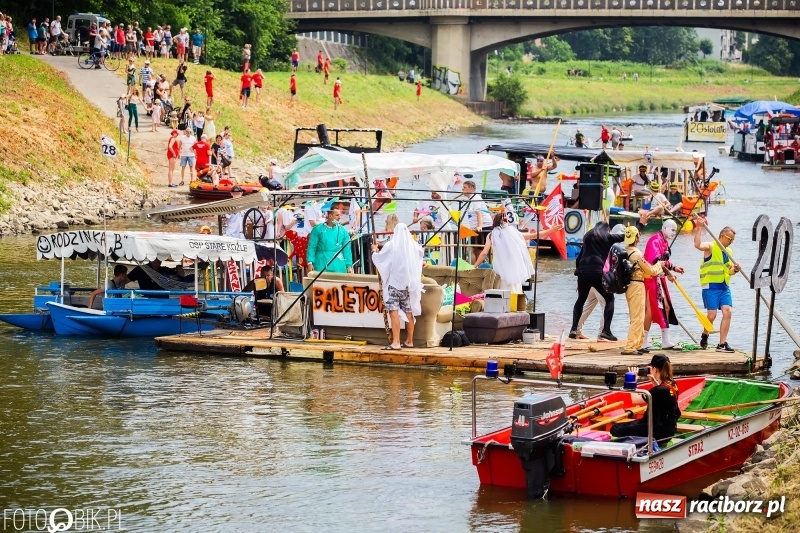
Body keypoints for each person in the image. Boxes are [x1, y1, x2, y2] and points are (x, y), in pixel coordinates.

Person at [473, 212, 562, 293]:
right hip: (513, 268)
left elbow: (484, 253)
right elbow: (534, 235)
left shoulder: (491, 235)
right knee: (515, 289)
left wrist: (475, 265)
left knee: (502, 291)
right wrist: (551, 230)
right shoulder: (513, 232)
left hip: (500, 268)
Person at [570, 221, 626, 341]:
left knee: (581, 300)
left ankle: (574, 328)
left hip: (583, 273)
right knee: (609, 299)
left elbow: (579, 258)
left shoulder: (587, 237)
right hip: (597, 273)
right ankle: (605, 331)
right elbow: (626, 236)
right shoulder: (607, 236)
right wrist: (640, 224)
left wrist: (578, 274)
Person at [371, 223, 424, 350]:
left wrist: (374, 250)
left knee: (393, 312)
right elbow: (421, 252)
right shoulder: (413, 247)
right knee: (408, 311)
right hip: (407, 286)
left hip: (394, 285)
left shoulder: (391, 246)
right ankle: (409, 341)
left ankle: (396, 342)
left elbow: (381, 259)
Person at [610, 354, 680, 444]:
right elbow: (661, 397)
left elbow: (635, 400)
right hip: (668, 428)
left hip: (658, 431)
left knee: (615, 430)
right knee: (621, 426)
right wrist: (653, 381)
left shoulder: (659, 390)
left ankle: (636, 447)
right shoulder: (672, 384)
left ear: (654, 369)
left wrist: (633, 380)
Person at [694, 221, 740, 352]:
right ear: (722, 236)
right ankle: (705, 334)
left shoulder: (729, 251)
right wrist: (699, 228)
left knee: (728, 311)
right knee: (712, 316)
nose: (731, 241)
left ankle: (721, 344)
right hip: (710, 286)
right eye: (730, 239)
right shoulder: (711, 246)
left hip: (724, 286)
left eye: (733, 240)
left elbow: (729, 271)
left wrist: (735, 269)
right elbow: (697, 245)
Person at [621, 226, 665, 356]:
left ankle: (638, 344)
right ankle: (630, 347)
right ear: (636, 238)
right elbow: (650, 270)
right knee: (637, 317)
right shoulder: (637, 254)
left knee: (638, 316)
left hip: (630, 285)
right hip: (636, 286)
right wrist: (660, 265)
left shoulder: (625, 251)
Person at [642, 220, 685, 351]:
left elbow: (664, 261)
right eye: (672, 230)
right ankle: (644, 341)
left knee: (666, 307)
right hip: (650, 279)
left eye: (675, 230)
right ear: (664, 228)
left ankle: (665, 341)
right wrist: (669, 274)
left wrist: (674, 267)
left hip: (659, 279)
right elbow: (656, 261)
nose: (673, 233)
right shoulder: (655, 240)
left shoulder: (664, 241)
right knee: (649, 310)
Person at [306, 208, 353, 274]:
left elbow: (347, 250)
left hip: (339, 265)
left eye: (340, 215)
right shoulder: (318, 229)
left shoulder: (343, 231)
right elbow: (312, 247)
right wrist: (310, 262)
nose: (339, 217)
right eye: (337, 215)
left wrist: (349, 266)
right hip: (322, 263)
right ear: (330, 216)